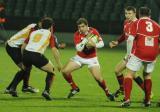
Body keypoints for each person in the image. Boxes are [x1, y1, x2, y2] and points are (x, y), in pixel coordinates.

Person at [8, 17, 62, 100]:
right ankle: (46, 91)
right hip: (36, 55)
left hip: (26, 53)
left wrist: (24, 57)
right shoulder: (51, 35)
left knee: (24, 69)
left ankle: (12, 88)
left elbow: (23, 46)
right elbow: (54, 50)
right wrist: (59, 64)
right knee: (51, 71)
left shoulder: (33, 32)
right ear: (51, 26)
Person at [62, 18, 114, 101]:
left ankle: (107, 92)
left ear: (87, 26)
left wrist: (94, 45)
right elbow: (78, 49)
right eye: (79, 27)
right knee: (65, 71)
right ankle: (74, 88)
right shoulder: (77, 34)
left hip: (92, 58)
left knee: (98, 78)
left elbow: (102, 44)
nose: (80, 29)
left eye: (82, 26)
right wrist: (86, 39)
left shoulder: (93, 31)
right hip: (79, 57)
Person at [121, 7, 160, 107]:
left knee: (128, 74)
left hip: (139, 52)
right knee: (147, 75)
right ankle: (147, 101)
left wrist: (129, 54)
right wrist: (156, 53)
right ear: (150, 14)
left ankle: (127, 100)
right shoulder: (157, 25)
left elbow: (130, 40)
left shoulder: (137, 23)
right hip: (152, 54)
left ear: (139, 14)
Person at [109, 6, 145, 98]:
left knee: (129, 74)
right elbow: (125, 35)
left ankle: (127, 95)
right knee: (118, 70)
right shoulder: (126, 22)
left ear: (134, 13)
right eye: (126, 13)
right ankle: (122, 89)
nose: (127, 15)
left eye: (129, 13)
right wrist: (117, 42)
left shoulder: (138, 24)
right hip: (129, 54)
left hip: (136, 54)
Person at [5, 23, 39, 94]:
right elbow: (25, 45)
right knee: (25, 68)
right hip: (13, 47)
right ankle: (11, 88)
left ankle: (24, 87)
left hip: (13, 45)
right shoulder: (34, 33)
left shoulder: (33, 25)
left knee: (27, 67)